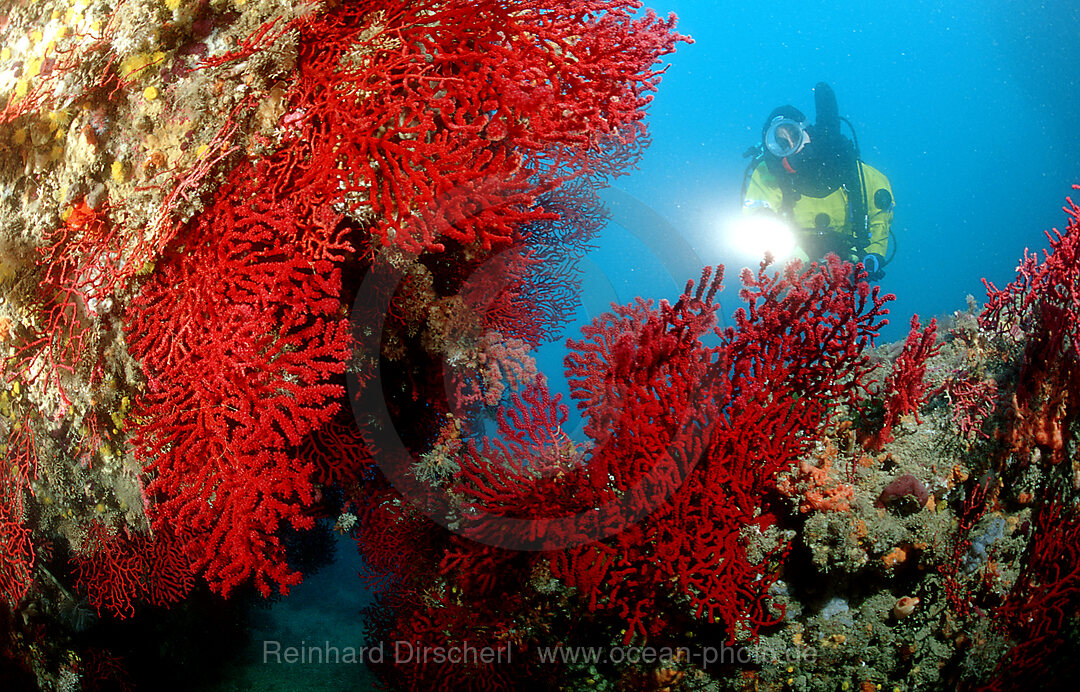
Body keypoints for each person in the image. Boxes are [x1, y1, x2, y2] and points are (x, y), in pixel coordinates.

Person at [741, 83, 894, 280]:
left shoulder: (846, 164)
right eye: (781, 143)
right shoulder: (767, 176)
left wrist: (874, 253)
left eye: (794, 135)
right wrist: (796, 260)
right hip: (796, 270)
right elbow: (757, 220)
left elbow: (879, 208)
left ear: (807, 133)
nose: (791, 147)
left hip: (852, 259)